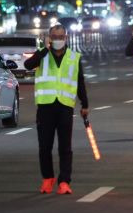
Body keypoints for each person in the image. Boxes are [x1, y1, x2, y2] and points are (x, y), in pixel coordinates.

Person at [24, 24, 89, 195]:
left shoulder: (74, 57)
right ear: (49, 38)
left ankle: (64, 181)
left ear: (66, 38)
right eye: (55, 36)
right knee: (45, 146)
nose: (58, 40)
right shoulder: (42, 55)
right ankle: (47, 178)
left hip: (65, 106)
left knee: (65, 147)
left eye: (61, 37)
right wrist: (44, 50)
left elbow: (80, 81)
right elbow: (28, 65)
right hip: (45, 107)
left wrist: (85, 104)